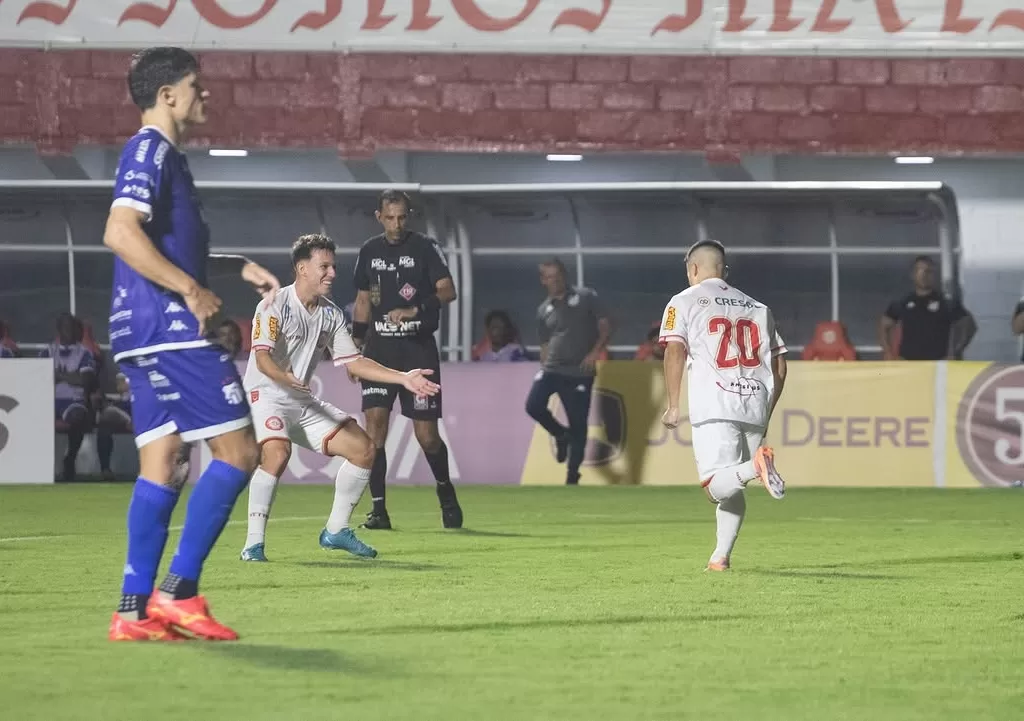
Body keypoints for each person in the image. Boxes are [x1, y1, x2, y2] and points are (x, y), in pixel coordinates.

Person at [104, 47, 280, 642]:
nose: (205, 95)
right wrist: (192, 291)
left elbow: (166, 247)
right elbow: (119, 232)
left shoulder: (165, 158)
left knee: (167, 462)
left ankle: (132, 612)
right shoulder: (150, 150)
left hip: (140, 332)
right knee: (240, 452)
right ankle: (179, 593)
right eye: (196, 86)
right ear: (168, 95)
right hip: (170, 329)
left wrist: (233, 266)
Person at [240, 234, 440, 561]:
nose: (332, 273)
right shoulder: (274, 305)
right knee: (277, 453)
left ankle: (335, 531)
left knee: (364, 450)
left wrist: (404, 378)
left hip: (300, 401)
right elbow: (262, 358)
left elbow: (355, 362)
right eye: (324, 266)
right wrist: (284, 377)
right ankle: (253, 544)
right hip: (266, 395)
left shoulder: (331, 314)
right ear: (302, 268)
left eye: (333, 266)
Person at [659, 240, 787, 572]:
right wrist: (767, 411)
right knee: (732, 486)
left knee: (714, 488)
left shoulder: (683, 301)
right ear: (724, 270)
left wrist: (673, 404)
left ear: (693, 269)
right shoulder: (759, 307)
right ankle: (720, 557)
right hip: (754, 403)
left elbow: (674, 350)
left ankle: (755, 468)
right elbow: (780, 365)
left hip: (715, 403)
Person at [350, 190, 462, 530]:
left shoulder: (425, 247)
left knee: (426, 436)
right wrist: (355, 347)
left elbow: (448, 290)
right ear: (379, 217)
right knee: (374, 431)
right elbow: (363, 301)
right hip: (379, 353)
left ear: (408, 216)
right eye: (390, 218)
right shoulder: (369, 251)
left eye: (401, 217)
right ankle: (379, 511)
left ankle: (445, 491)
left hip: (418, 350)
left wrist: (416, 308)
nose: (396, 224)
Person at [525, 258, 611, 485]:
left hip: (579, 371)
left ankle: (573, 474)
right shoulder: (543, 310)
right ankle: (560, 434)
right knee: (533, 405)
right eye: (549, 278)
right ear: (543, 280)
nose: (554, 281)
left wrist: (595, 352)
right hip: (552, 369)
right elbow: (544, 342)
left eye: (557, 276)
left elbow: (606, 324)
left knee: (578, 422)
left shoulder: (586, 297)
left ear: (564, 275)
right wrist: (544, 363)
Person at [880, 256, 976, 361]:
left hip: (937, 363)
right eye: (919, 271)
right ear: (913, 275)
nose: (924, 275)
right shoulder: (903, 302)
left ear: (934, 275)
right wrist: (887, 352)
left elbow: (970, 326)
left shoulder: (946, 303)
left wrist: (957, 352)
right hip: (908, 363)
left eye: (928, 271)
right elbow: (884, 325)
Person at [41, 313, 98, 482]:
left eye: (72, 327)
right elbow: (39, 378)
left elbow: (85, 381)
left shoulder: (84, 353)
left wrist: (59, 375)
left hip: (73, 401)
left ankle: (70, 458)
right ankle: (38, 463)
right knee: (33, 416)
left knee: (79, 416)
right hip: (48, 400)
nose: (69, 331)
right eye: (65, 327)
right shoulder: (47, 351)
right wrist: (72, 376)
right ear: (59, 329)